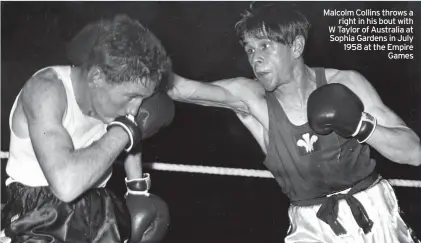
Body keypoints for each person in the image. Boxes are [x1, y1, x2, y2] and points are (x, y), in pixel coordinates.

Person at [167, 3, 421, 243]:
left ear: (296, 46)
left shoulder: (346, 83)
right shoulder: (251, 98)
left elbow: (414, 152)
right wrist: (140, 56)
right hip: (310, 225)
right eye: (249, 49)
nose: (255, 58)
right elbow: (180, 90)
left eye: (265, 46)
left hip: (374, 212)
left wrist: (360, 126)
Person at [1, 15, 175, 243]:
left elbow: (134, 132)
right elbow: (65, 186)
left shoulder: (116, 98)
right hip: (37, 213)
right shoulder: (46, 91)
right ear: (96, 77)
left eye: (142, 98)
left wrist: (136, 189)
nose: (135, 108)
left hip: (98, 207)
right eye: (132, 96)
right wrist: (124, 130)